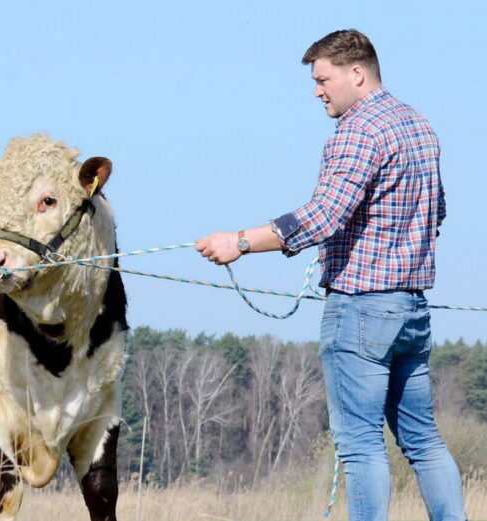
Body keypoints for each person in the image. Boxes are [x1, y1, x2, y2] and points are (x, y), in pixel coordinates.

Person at [195, 29, 467, 521]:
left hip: (360, 307)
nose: (317, 91)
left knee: (360, 444)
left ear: (356, 73)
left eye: (323, 79)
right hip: (412, 308)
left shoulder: (359, 130)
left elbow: (323, 217)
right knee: (423, 441)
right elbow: (437, 211)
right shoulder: (420, 125)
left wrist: (237, 242)